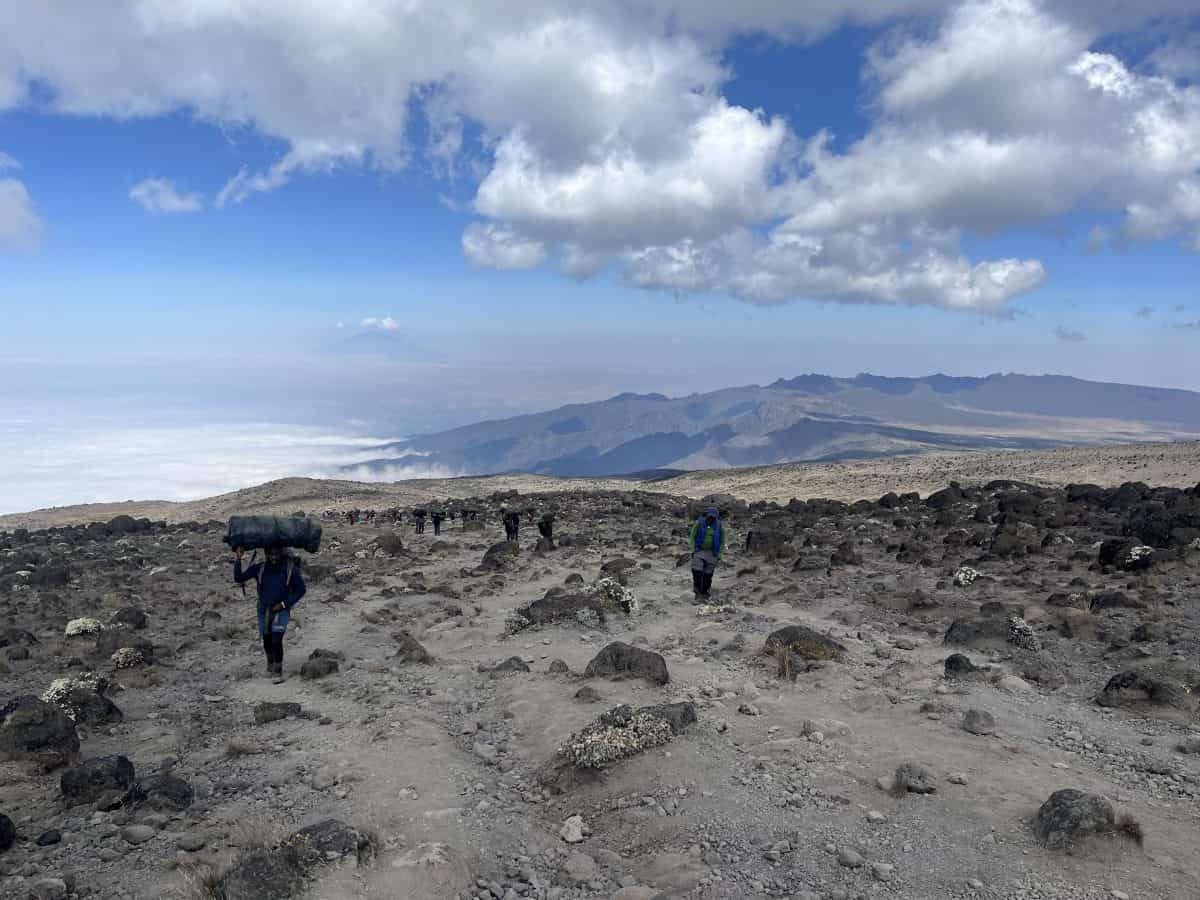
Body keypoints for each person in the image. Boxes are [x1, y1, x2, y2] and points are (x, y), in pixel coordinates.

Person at [234, 543, 306, 681]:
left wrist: (284, 603)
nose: (273, 556)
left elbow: (301, 590)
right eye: (270, 553)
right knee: (266, 640)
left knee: (276, 639)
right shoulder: (259, 568)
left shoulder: (290, 569)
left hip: (281, 610)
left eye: (276, 553)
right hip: (263, 610)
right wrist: (238, 559)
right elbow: (239, 578)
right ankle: (270, 663)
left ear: (281, 553)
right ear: (266, 553)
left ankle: (278, 670)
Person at [689, 507, 724, 600]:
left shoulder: (719, 526)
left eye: (713, 517)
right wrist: (693, 550)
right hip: (699, 550)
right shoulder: (699, 523)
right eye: (709, 517)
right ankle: (697, 591)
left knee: (708, 576)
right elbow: (692, 536)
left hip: (712, 553)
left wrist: (719, 554)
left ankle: (704, 593)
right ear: (707, 516)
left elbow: (722, 541)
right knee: (697, 572)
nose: (711, 519)